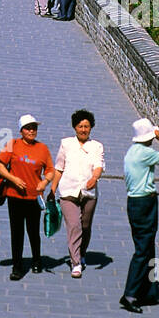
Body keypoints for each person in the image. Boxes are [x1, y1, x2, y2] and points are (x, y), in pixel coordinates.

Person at [120, 118, 159, 313]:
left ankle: (149, 289)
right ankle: (130, 293)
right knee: (143, 250)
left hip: (136, 203)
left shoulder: (133, 152)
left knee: (148, 246)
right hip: (144, 203)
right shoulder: (145, 153)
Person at [0, 114, 56, 279]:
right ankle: (17, 266)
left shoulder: (42, 148)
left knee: (33, 231)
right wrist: (13, 179)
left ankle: (37, 260)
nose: (32, 131)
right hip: (14, 196)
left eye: (34, 128)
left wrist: (45, 182)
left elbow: (51, 170)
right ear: (21, 130)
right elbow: (0, 166)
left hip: (33, 197)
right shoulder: (11, 144)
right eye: (28, 128)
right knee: (16, 232)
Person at [51, 110, 105, 278]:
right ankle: (75, 262)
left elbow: (99, 165)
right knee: (74, 225)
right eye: (80, 126)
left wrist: (94, 178)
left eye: (86, 126)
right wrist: (52, 189)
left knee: (85, 226)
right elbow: (59, 168)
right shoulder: (66, 144)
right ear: (74, 127)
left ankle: (82, 254)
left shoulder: (96, 146)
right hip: (68, 191)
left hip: (88, 193)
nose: (83, 129)